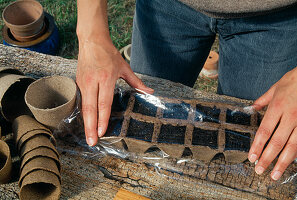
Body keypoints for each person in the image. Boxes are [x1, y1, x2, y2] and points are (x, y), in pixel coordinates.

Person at [76, 0, 297, 181]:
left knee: (254, 147)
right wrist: (91, 34)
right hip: (163, 8)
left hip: (277, 19)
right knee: (133, 122)